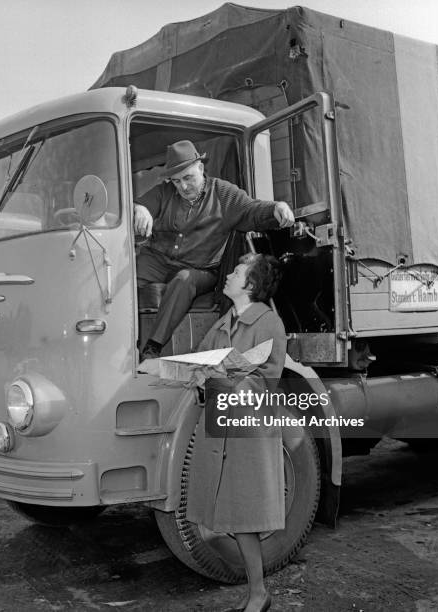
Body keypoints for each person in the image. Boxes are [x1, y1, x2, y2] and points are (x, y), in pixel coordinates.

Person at [134, 140, 294, 361]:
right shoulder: (164, 192)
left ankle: (152, 347)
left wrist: (277, 207)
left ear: (201, 167)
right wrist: (140, 209)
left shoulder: (223, 193)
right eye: (176, 181)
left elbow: (251, 210)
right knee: (125, 277)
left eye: (188, 178)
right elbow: (141, 204)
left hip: (199, 269)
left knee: (183, 280)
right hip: (158, 260)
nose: (183, 187)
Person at [188, 253, 286, 612]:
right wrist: (201, 379)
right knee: (223, 517)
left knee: (244, 516)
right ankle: (257, 593)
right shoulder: (221, 324)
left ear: (251, 284)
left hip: (247, 434)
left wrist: (221, 380)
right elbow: (200, 365)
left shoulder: (269, 324)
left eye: (238, 271)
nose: (229, 275)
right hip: (220, 430)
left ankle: (258, 595)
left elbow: (264, 380)